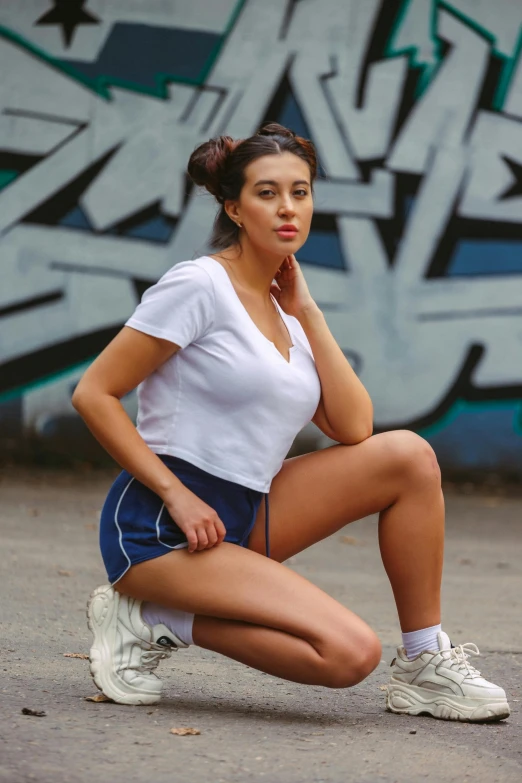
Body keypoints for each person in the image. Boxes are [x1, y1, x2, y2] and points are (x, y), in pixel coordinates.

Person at [72, 123, 509, 722]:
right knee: (348, 654)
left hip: (244, 513)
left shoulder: (287, 310)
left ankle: (424, 659)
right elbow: (94, 393)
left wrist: (306, 309)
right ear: (234, 206)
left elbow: (356, 428)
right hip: (164, 528)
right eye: (267, 193)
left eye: (300, 192)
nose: (288, 209)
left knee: (407, 456)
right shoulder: (199, 284)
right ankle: (154, 616)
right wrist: (176, 495)